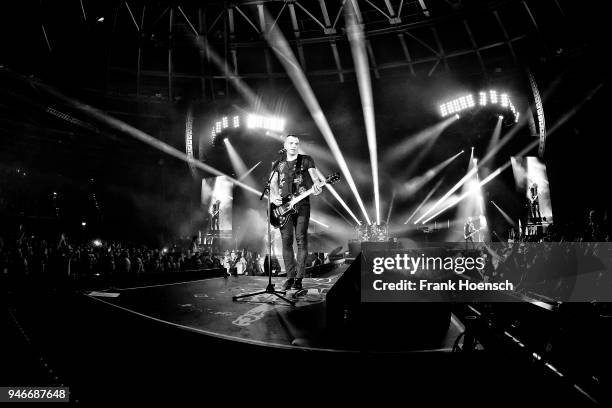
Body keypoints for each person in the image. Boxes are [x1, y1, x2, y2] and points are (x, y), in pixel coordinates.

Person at [270, 134, 325, 291]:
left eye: (297, 143)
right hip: (284, 208)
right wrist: (274, 197)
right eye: (291, 143)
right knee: (286, 241)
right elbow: (273, 183)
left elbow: (315, 177)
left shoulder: (306, 159)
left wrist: (317, 185)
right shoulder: (278, 163)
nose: (294, 145)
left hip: (302, 204)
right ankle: (290, 277)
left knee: (301, 239)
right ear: (285, 145)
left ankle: (299, 279)